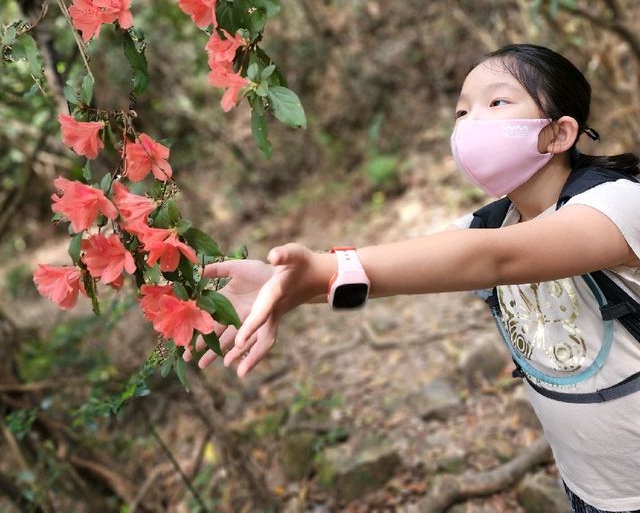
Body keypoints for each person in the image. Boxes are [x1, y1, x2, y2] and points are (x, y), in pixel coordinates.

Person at [184, 44, 640, 513]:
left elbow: (491, 261)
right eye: (461, 111)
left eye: (496, 103)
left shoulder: (618, 206)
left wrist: (324, 268)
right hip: (588, 490)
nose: (468, 123)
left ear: (559, 133)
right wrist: (290, 287)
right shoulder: (494, 222)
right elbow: (406, 268)